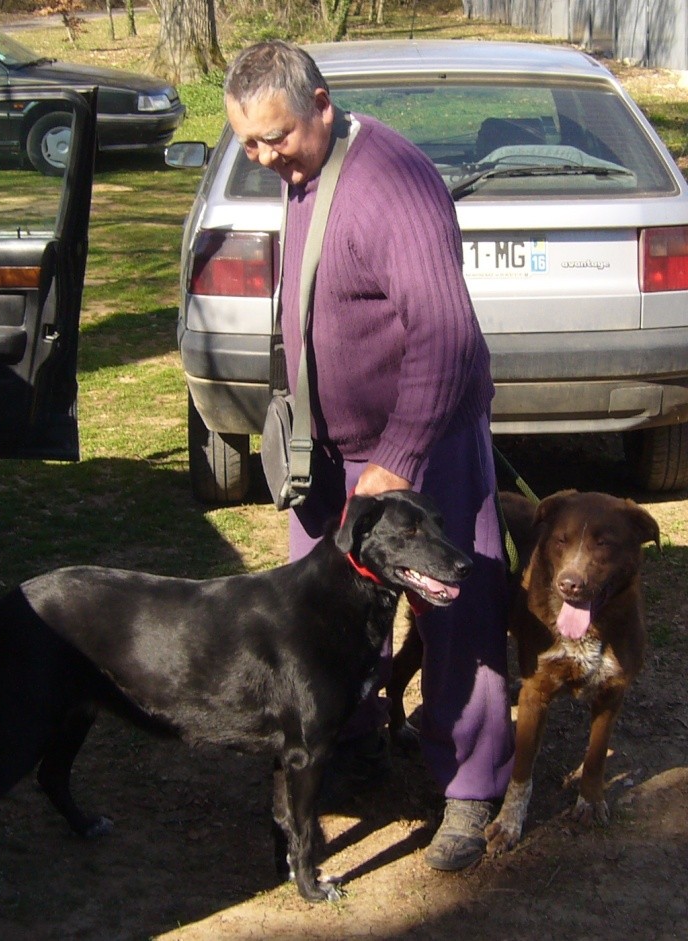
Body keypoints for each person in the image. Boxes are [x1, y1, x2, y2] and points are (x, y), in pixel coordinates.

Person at [224, 40, 514, 872]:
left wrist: (400, 454)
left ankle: (468, 784)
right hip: (337, 450)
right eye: (247, 143)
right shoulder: (305, 172)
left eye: (275, 136)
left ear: (321, 103)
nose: (264, 156)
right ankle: (348, 743)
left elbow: (447, 337)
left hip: (421, 444)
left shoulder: (391, 180)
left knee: (454, 603)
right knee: (325, 607)